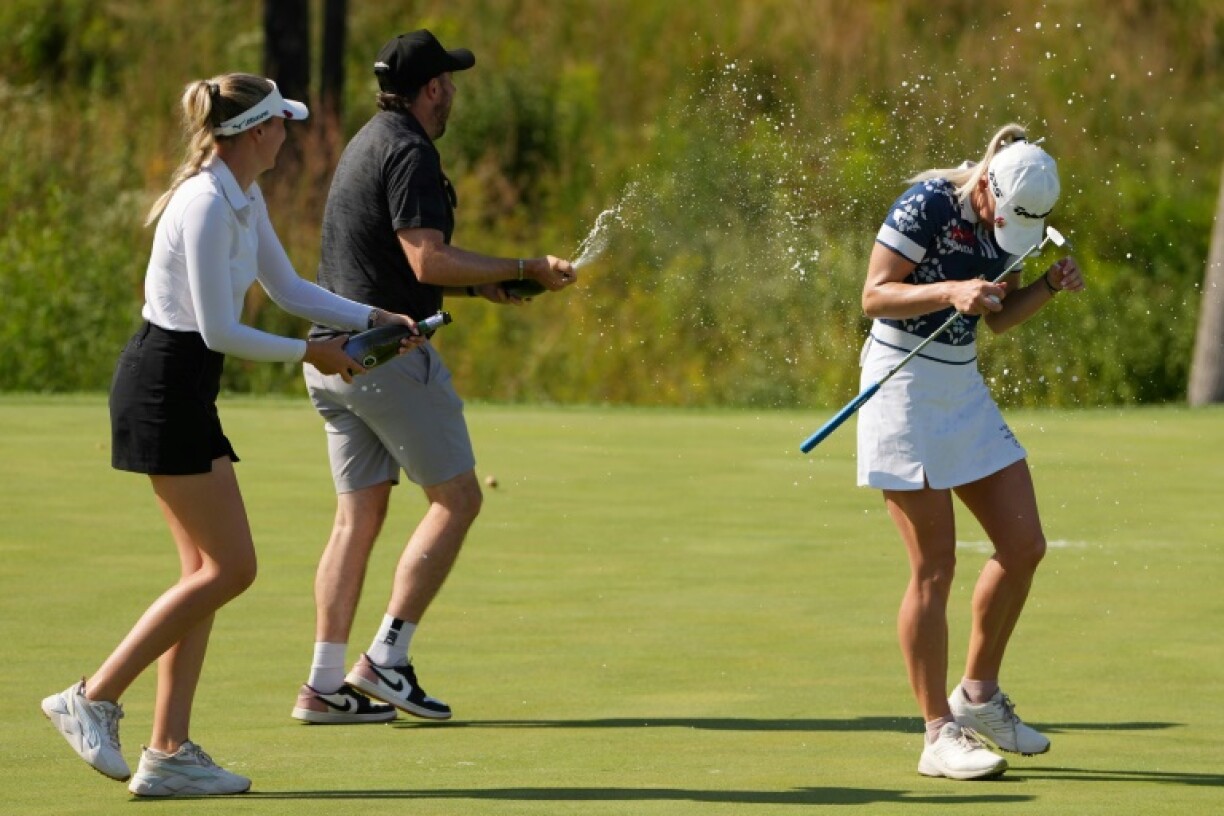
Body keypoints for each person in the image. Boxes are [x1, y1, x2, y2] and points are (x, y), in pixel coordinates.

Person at [40, 73, 421, 796]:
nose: (289, 133)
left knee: (205, 577)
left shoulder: (243, 195)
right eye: (282, 123)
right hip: (163, 386)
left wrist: (368, 315)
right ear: (255, 132)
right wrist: (312, 351)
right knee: (230, 569)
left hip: (183, 388)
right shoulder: (208, 203)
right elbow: (221, 329)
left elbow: (286, 290)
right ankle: (91, 696)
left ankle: (168, 751)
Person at [289, 29, 576, 726]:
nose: (452, 93)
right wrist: (521, 267)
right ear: (431, 90)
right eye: (447, 82)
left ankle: (325, 685)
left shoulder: (370, 139)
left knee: (356, 519)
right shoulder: (411, 152)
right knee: (457, 500)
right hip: (387, 358)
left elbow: (395, 260)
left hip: (335, 362)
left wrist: (484, 291)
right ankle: (385, 659)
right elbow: (427, 260)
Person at [855, 123, 1083, 780]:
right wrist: (947, 291)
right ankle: (936, 735)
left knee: (1024, 546)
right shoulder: (929, 201)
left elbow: (997, 318)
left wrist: (1044, 288)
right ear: (986, 184)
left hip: (959, 382)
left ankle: (978, 697)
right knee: (935, 567)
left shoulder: (1012, 222)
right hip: (900, 382)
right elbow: (874, 293)